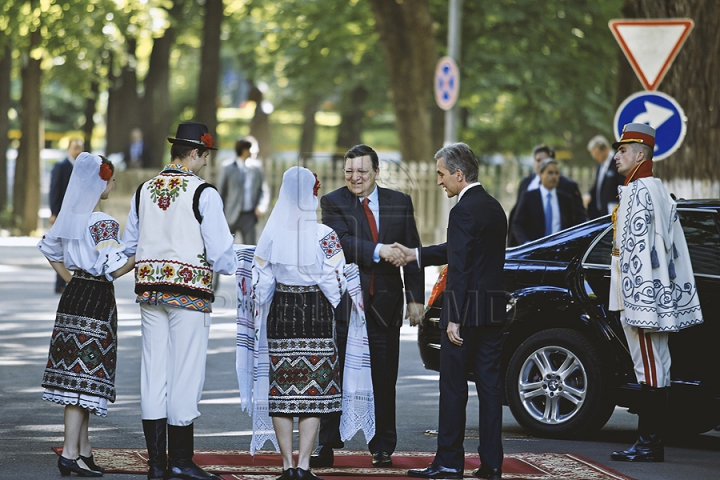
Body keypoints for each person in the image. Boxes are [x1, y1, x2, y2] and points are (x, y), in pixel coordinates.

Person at [122, 122, 237, 480]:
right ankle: (181, 460)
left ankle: (157, 464)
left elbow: (129, 246)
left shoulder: (144, 189)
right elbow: (222, 254)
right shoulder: (203, 192)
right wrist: (236, 263)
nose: (206, 163)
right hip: (189, 294)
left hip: (150, 291)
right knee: (185, 373)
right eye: (205, 156)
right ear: (196, 153)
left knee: (153, 372)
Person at [398, 143, 506, 480]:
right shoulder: (494, 207)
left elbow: (459, 266)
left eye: (442, 175)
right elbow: (461, 251)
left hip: (465, 315)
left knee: (453, 389)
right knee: (490, 390)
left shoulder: (461, 212)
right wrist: (416, 254)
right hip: (492, 312)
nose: (439, 182)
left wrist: (454, 316)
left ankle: (447, 462)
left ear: (459, 175)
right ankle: (491, 464)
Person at [314, 144, 424, 468]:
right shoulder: (333, 202)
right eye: (349, 171)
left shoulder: (399, 202)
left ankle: (382, 446)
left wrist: (416, 298)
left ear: (376, 172)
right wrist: (379, 250)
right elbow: (342, 242)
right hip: (345, 305)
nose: (355, 177)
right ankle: (327, 444)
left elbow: (412, 249)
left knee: (384, 377)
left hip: (386, 305)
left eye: (362, 171)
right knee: (336, 374)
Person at [608, 123, 703, 463]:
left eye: (622, 150)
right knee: (657, 364)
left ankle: (649, 445)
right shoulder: (651, 188)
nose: (616, 156)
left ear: (639, 154)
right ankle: (649, 443)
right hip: (646, 295)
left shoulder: (640, 190)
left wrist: (638, 302)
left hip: (641, 298)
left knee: (649, 365)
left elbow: (640, 251)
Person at [38, 153, 135, 477]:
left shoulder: (69, 218)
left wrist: (70, 279)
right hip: (96, 298)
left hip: (73, 296)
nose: (113, 184)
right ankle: (69, 454)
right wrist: (137, 256)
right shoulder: (101, 222)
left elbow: (49, 249)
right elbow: (112, 268)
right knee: (85, 379)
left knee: (75, 380)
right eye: (111, 179)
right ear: (100, 181)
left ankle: (82, 450)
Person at [252, 166, 347, 480]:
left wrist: (261, 309)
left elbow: (261, 282)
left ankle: (286, 466)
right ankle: (305, 466)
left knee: (282, 388)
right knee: (313, 390)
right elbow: (335, 280)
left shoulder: (270, 235)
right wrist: (334, 301)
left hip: (282, 313)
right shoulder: (324, 235)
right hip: (315, 313)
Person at [507, 144, 585, 246]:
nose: (553, 177)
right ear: (541, 173)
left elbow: (574, 223)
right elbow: (517, 222)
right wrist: (526, 244)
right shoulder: (527, 190)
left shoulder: (565, 197)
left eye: (556, 173)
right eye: (538, 160)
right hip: (533, 249)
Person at [216, 136, 270, 245]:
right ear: (244, 150)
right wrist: (219, 215)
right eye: (254, 148)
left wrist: (261, 206)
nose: (257, 150)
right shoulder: (227, 168)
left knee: (250, 249)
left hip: (249, 216)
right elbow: (221, 193)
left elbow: (263, 189)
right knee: (225, 247)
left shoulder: (257, 168)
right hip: (230, 215)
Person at [48, 138, 84, 293]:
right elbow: (54, 190)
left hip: (77, 214)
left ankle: (72, 279)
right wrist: (54, 212)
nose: (77, 150)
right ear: (69, 149)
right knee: (61, 247)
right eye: (75, 147)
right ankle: (60, 282)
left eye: (80, 148)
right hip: (62, 212)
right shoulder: (61, 167)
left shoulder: (83, 168)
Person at [586, 135, 624, 219]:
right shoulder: (600, 166)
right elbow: (598, 186)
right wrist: (588, 194)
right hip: (601, 214)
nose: (595, 157)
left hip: (615, 213)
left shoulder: (618, 163)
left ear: (605, 149)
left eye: (597, 154)